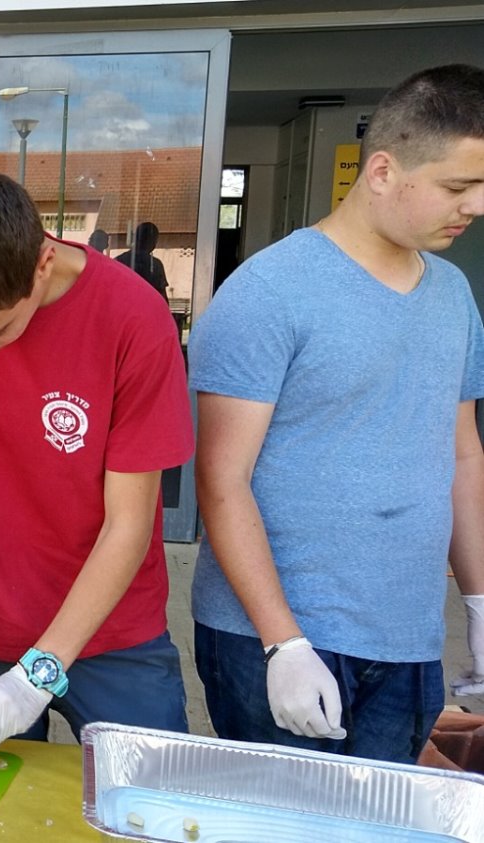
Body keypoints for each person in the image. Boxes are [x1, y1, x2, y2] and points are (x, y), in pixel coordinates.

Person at [189, 63, 484, 764]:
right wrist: (282, 639)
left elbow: (463, 454)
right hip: (277, 634)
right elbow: (221, 479)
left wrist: (478, 600)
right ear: (381, 170)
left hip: (407, 632)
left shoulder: (453, 293)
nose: (473, 206)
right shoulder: (268, 292)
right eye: (456, 186)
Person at [0, 170, 193, 765]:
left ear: (44, 262)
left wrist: (38, 674)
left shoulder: (134, 319)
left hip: (111, 632)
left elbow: (128, 524)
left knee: (152, 804)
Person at [116, 221, 170, 301]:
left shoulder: (120, 261)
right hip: (146, 308)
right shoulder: (156, 265)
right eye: (154, 240)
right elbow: (162, 296)